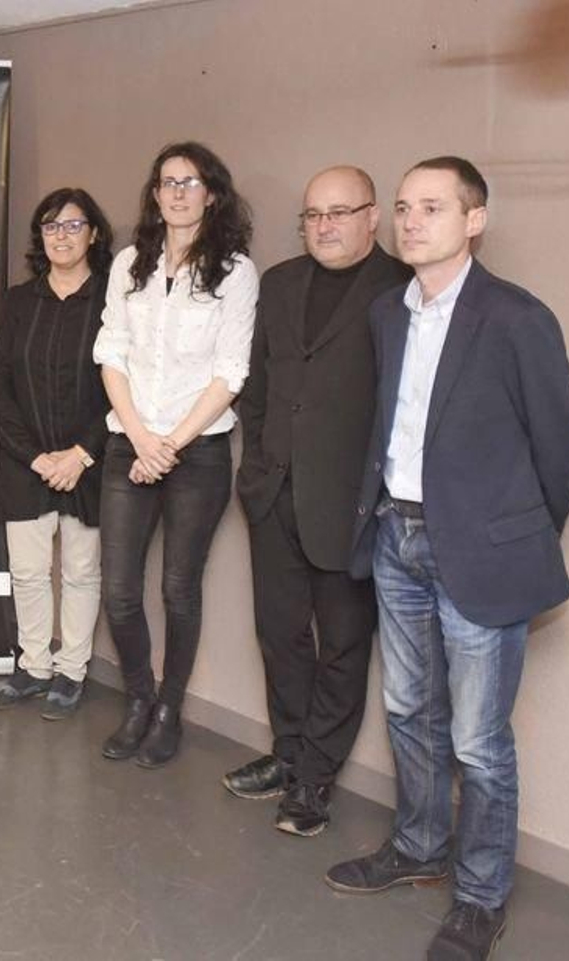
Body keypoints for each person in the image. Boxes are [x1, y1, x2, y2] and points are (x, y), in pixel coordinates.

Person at [326, 157, 569, 961]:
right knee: (409, 711)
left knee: (478, 740)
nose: (411, 221)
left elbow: (563, 447)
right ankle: (418, 847)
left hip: (479, 551)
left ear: (474, 220)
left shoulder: (516, 317)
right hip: (397, 540)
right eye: (403, 207)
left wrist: (510, 533)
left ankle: (480, 896)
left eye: (432, 207)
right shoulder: (387, 313)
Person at [226, 166, 411, 836]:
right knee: (279, 636)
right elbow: (258, 385)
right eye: (313, 214)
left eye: (340, 212)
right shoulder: (279, 283)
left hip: (351, 506)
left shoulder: (401, 291)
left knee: (341, 644)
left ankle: (315, 776)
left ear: (372, 218)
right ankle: (287, 752)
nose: (325, 225)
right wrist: (256, 469)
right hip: (274, 494)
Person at [93, 141, 258, 768]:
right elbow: (111, 353)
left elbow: (231, 372)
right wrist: (139, 438)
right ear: (155, 194)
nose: (178, 193)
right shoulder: (130, 263)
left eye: (190, 182)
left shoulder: (235, 271)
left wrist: (170, 445)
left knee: (179, 590)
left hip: (200, 453)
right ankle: (137, 699)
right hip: (128, 445)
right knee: (120, 592)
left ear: (211, 194)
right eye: (167, 182)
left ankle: (169, 710)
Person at [0, 187, 113, 720]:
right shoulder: (18, 301)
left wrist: (79, 453)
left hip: (90, 461)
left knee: (82, 571)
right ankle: (34, 666)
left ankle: (71, 670)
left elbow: (119, 387)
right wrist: (36, 457)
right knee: (29, 572)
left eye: (73, 225)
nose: (61, 236)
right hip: (26, 462)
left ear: (94, 234)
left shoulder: (114, 301)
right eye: (51, 226)